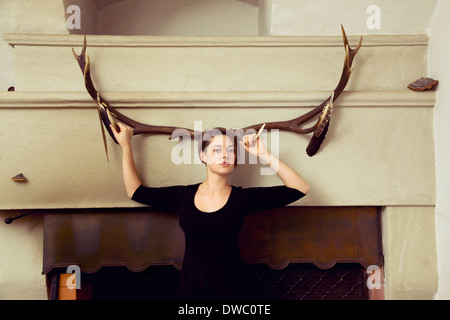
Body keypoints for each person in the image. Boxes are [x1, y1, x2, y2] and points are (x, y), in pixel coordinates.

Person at [110, 123, 310, 300]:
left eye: (231, 151)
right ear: (203, 156)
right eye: (217, 150)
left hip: (234, 288)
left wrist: (263, 154)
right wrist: (126, 146)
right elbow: (135, 192)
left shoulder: (243, 199)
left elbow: (300, 188)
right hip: (192, 287)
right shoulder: (183, 196)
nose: (225, 155)